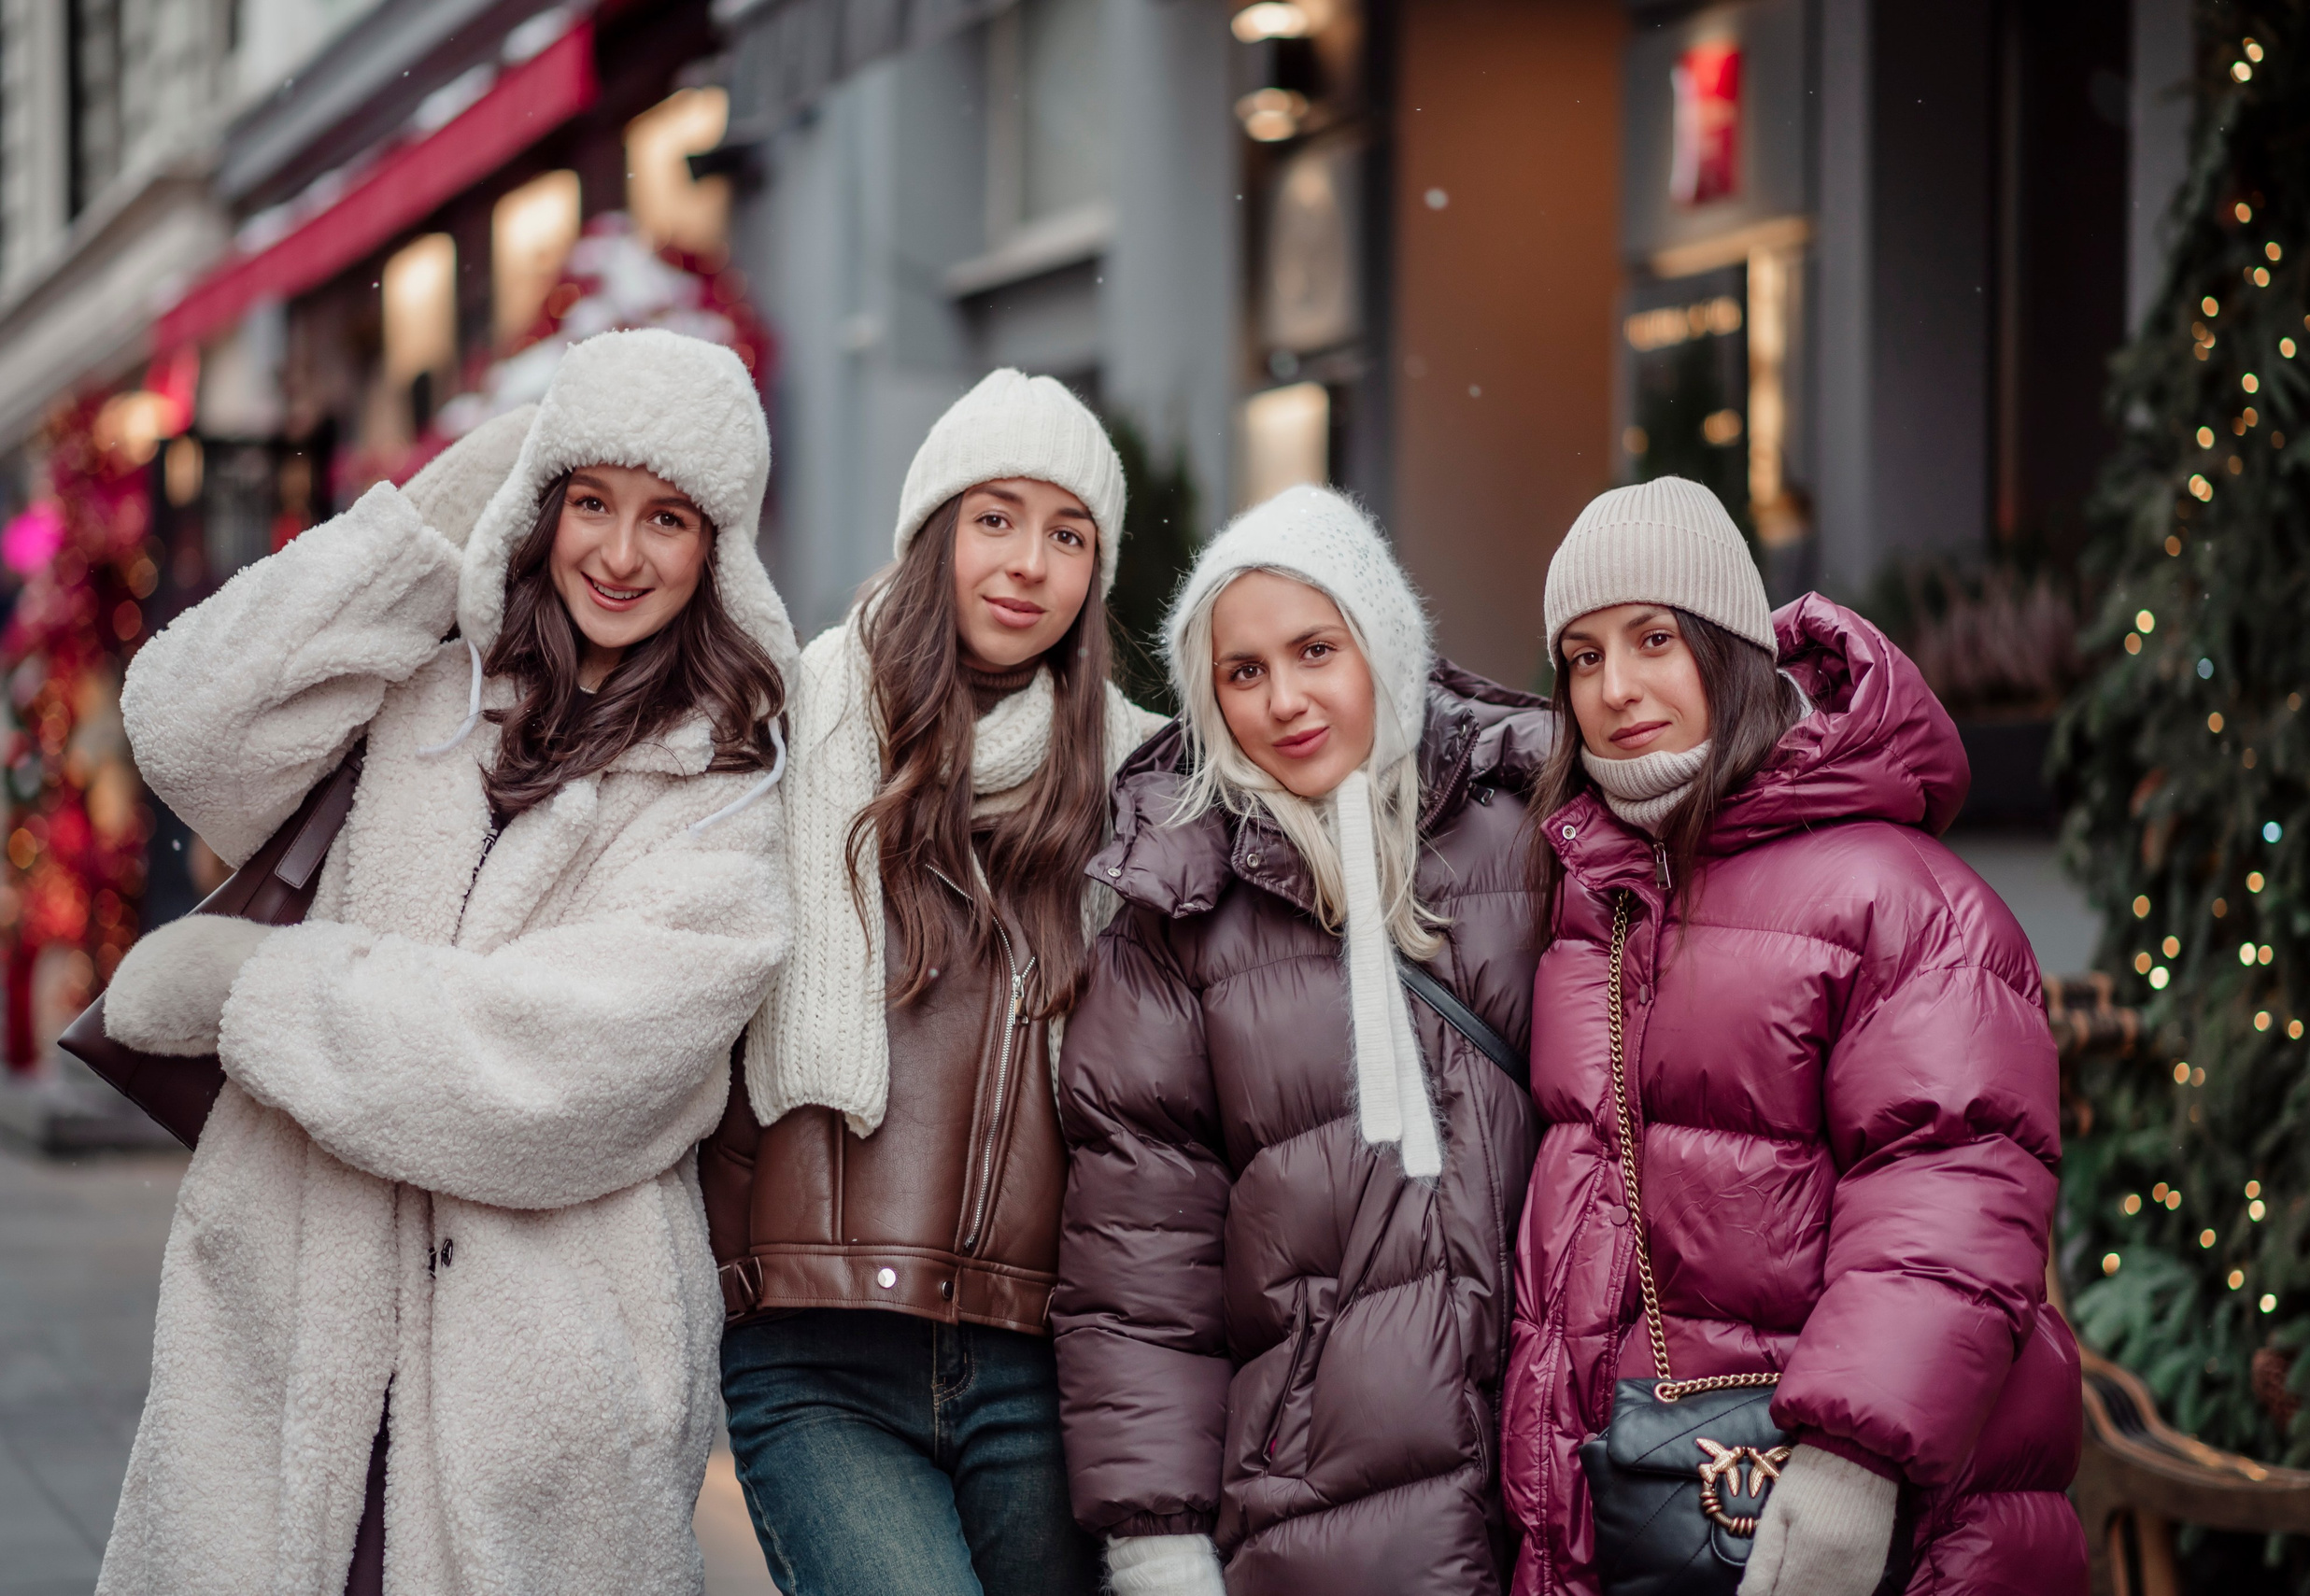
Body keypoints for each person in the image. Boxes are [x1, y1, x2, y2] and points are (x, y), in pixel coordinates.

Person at [93, 328, 801, 1595]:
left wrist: (258, 991)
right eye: (589, 500)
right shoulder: (425, 689)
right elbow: (186, 722)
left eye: (668, 518)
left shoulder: (727, 792)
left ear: (717, 550)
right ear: (543, 506)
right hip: (295, 1312)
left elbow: (555, 1069)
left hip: (534, 1395)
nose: (621, 554)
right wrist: (438, 518)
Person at [1502, 477, 2082, 1595]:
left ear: (1726, 643)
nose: (1615, 687)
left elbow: (1950, 1190)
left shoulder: (1891, 892)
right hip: (1643, 1506)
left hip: (1836, 1518)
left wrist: (1855, 1460)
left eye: (1652, 638)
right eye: (1580, 656)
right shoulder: (1593, 895)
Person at [702, 370, 1165, 1596]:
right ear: (934, 534)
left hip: (1038, 1360)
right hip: (814, 1348)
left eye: (1069, 534)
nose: (1027, 562)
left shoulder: (1139, 783)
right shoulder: (796, 719)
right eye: (995, 517)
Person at [1049, 486, 1547, 1596]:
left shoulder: (1533, 834)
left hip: (1560, 1475)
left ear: (1382, 641)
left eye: (1315, 649)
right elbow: (1140, 1263)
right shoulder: (1174, 914)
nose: (1283, 700)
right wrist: (1158, 1539)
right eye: (1243, 671)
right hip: (1319, 1508)